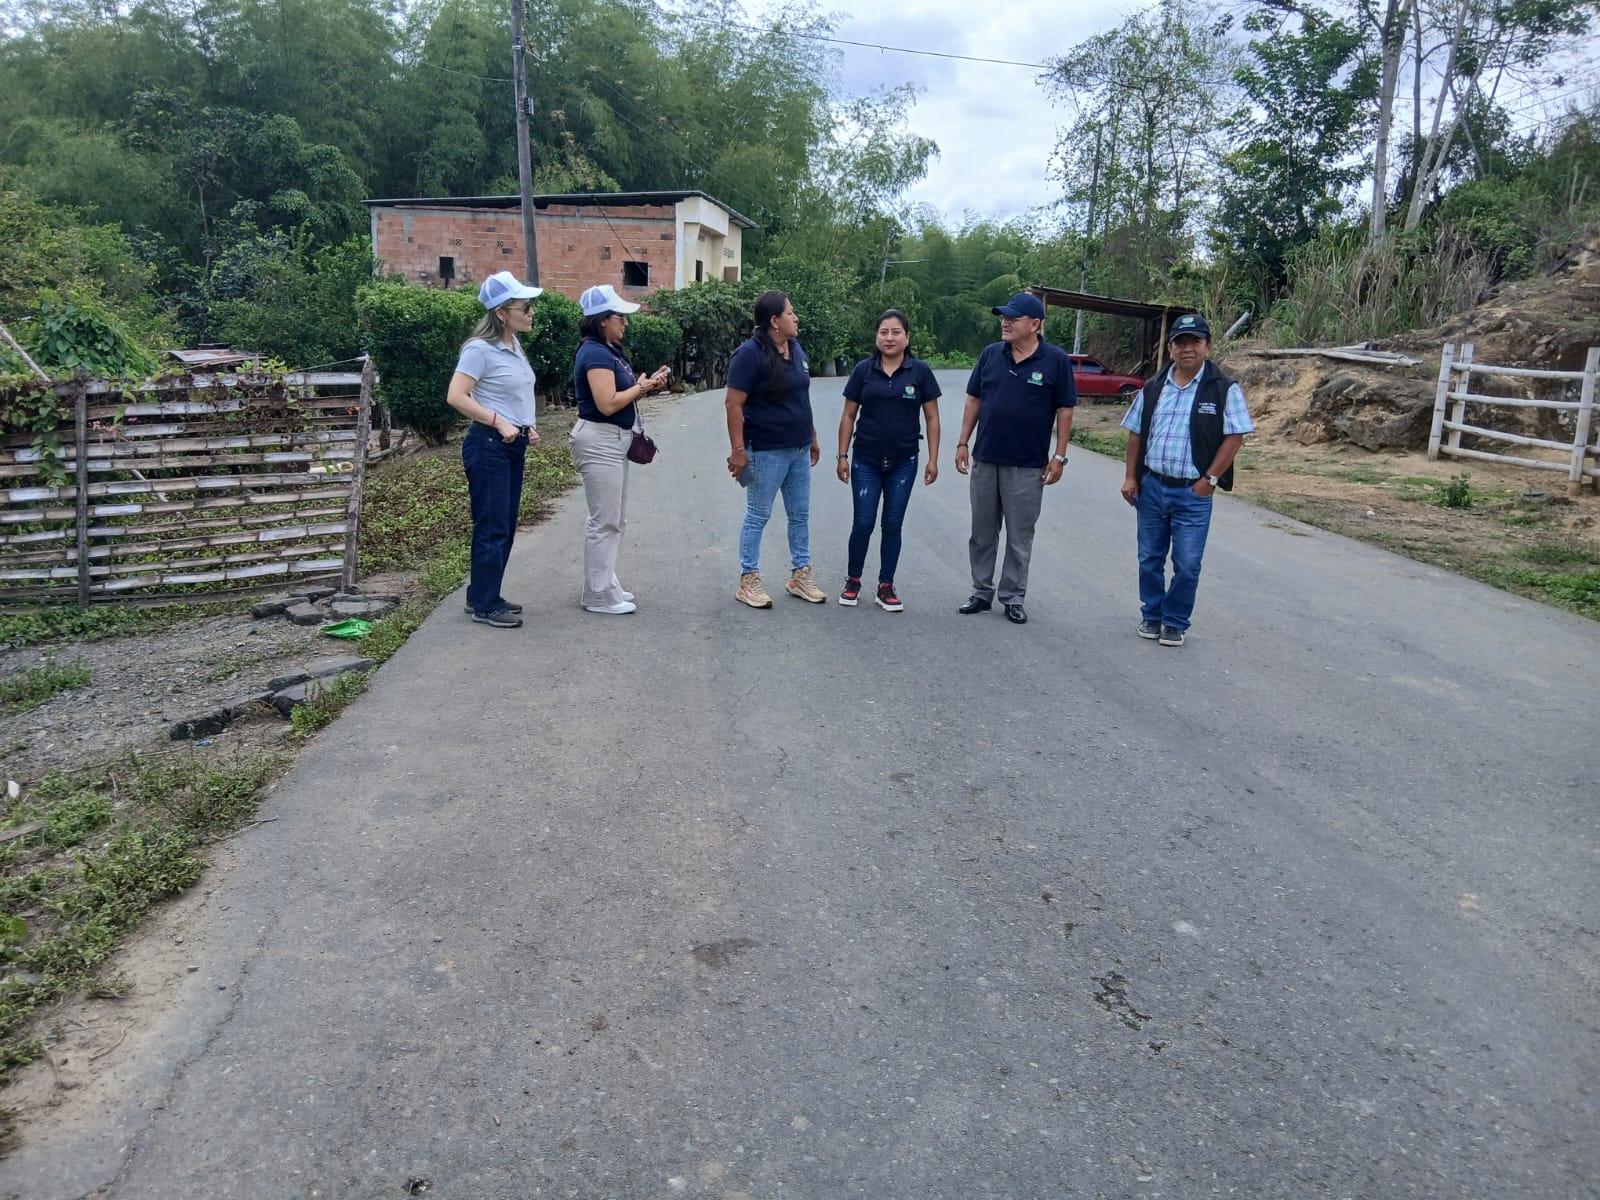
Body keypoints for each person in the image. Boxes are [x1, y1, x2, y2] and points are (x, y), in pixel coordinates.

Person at [1119, 312, 1254, 647]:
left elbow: (1235, 436)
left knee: (1188, 563)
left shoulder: (1223, 389)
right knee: (1149, 558)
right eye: (1180, 342)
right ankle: (1152, 615)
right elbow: (1135, 434)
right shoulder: (1153, 387)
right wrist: (1130, 477)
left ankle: (1175, 622)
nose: (1187, 348)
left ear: (1208, 346)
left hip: (1193, 492)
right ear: (1170, 348)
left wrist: (1210, 479)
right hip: (1152, 487)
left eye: (1195, 341)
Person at [953, 292, 1077, 625]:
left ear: (1035, 324)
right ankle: (980, 592)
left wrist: (1059, 456)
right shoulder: (991, 354)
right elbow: (974, 399)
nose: (1005, 323)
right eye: (1004, 317)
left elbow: (1065, 409)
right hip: (986, 457)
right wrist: (963, 442)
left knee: (1019, 536)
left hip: (1027, 464)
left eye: (1013, 318)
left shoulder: (1055, 360)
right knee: (982, 532)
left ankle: (1013, 597)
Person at [445, 270, 543, 629]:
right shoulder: (479, 349)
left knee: (504, 524)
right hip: (488, 445)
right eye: (524, 308)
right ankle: (486, 605)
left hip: (512, 444)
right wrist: (498, 421)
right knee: (493, 526)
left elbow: (511, 393)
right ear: (502, 313)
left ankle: (482, 594)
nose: (531, 313)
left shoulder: (513, 346)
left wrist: (525, 424)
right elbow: (456, 396)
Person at [570, 284, 671, 615]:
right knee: (605, 521)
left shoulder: (608, 350)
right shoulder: (596, 353)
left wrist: (643, 386)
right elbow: (607, 403)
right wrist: (640, 388)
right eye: (619, 317)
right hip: (600, 440)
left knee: (613, 519)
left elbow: (620, 395)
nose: (625, 322)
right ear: (602, 320)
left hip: (611, 440)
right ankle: (598, 594)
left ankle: (604, 583)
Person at [835, 309, 942, 610]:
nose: (889, 338)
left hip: (904, 462)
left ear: (907, 337)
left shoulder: (920, 372)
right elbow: (848, 415)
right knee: (863, 523)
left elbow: (932, 418)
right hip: (865, 460)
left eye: (896, 332)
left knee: (893, 524)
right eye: (884, 332)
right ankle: (853, 580)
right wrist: (842, 456)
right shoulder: (863, 371)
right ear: (877, 336)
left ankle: (886, 586)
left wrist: (933, 459)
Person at [725, 290, 825, 607]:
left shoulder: (796, 348)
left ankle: (800, 575)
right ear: (774, 321)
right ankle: (748, 579)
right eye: (790, 313)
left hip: (799, 447)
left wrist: (812, 436)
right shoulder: (749, 355)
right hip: (765, 450)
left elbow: (801, 397)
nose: (796, 318)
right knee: (758, 515)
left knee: (800, 514)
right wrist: (738, 451)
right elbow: (733, 404)